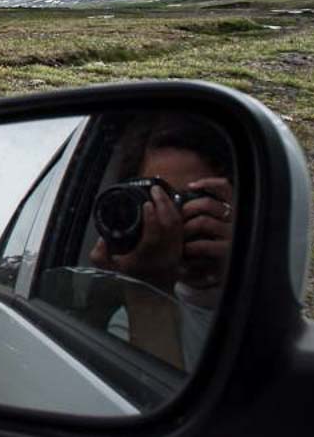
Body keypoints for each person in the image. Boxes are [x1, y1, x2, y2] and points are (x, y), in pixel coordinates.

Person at [88, 113, 236, 371]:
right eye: (153, 202)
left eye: (187, 199)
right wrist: (142, 289)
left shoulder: (261, 302)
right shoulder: (125, 322)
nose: (168, 220)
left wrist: (241, 261)